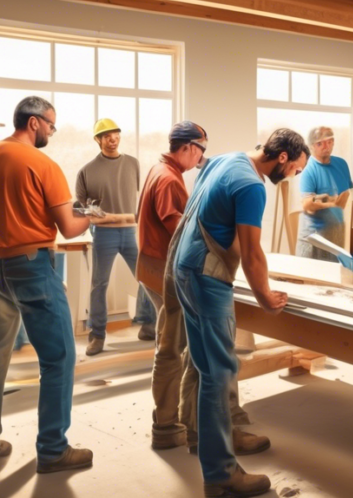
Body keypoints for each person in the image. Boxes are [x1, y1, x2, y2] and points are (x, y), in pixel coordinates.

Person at [172, 128, 308, 497]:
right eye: (296, 168)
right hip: (207, 275)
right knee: (219, 372)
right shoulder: (251, 185)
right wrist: (264, 295)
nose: (295, 176)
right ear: (282, 158)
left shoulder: (226, 159)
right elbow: (251, 252)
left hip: (185, 267)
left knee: (207, 367)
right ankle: (220, 474)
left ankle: (215, 439)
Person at [136, 122, 266, 455]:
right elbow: (177, 226)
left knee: (173, 347)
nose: (202, 158)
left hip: (157, 266)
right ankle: (199, 430)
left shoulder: (158, 169)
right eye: (201, 149)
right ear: (188, 147)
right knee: (197, 352)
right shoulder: (168, 179)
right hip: (175, 269)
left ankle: (169, 425)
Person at [0, 96, 93, 472]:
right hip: (31, 265)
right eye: (51, 126)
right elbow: (69, 227)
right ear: (35, 123)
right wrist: (92, 215)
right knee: (59, 357)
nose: (52, 133)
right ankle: (53, 449)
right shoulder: (41, 163)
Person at [76, 118, 156, 355]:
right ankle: (97, 335)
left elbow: (140, 199)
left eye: (116, 134)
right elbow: (83, 209)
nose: (113, 139)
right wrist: (103, 216)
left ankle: (148, 324)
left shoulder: (133, 163)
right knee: (99, 285)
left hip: (131, 232)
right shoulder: (86, 171)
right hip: (103, 235)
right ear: (98, 140)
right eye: (107, 136)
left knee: (147, 278)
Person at [296, 126, 353, 261]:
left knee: (333, 276)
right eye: (319, 143)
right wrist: (332, 202)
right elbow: (307, 205)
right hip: (313, 236)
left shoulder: (341, 164)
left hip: (336, 233)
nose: (325, 146)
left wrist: (337, 202)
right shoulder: (308, 169)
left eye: (329, 141)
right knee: (311, 277)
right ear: (311, 146)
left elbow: (345, 194)